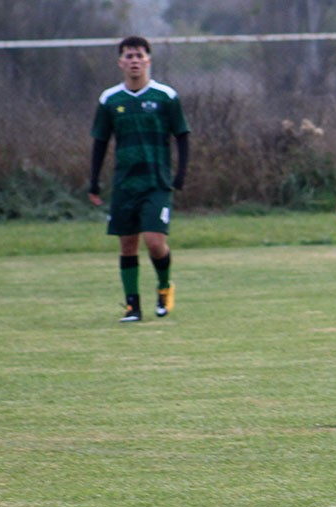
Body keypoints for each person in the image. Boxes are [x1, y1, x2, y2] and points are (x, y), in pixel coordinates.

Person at [89, 36, 190, 322]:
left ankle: (164, 287)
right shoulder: (110, 99)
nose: (134, 61)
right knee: (127, 244)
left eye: (139, 56)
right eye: (128, 56)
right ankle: (132, 305)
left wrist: (180, 173)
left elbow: (182, 135)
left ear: (148, 60)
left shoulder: (165, 96)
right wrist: (94, 181)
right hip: (124, 184)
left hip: (156, 182)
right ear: (121, 62)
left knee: (155, 241)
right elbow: (100, 141)